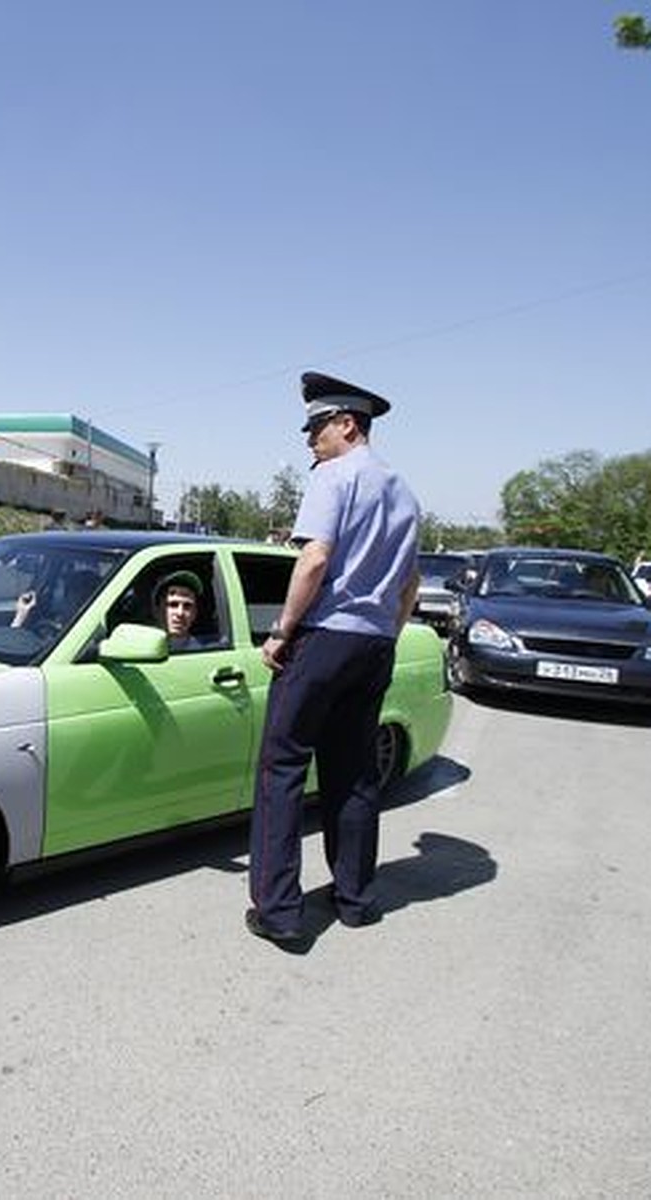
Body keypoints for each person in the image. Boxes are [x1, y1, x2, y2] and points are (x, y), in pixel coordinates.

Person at [246, 372, 420, 950]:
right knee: (353, 773)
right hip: (373, 644)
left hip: (323, 636)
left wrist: (281, 630)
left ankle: (279, 911)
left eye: (317, 426)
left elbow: (315, 558)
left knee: (282, 767)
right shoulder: (403, 491)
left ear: (348, 424)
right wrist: (385, 635)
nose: (309, 439)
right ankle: (355, 900)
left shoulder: (333, 476)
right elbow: (410, 585)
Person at [151, 569, 203, 650]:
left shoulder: (202, 653)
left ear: (194, 613)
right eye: (173, 605)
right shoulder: (141, 648)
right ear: (157, 610)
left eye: (187, 606)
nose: (180, 613)